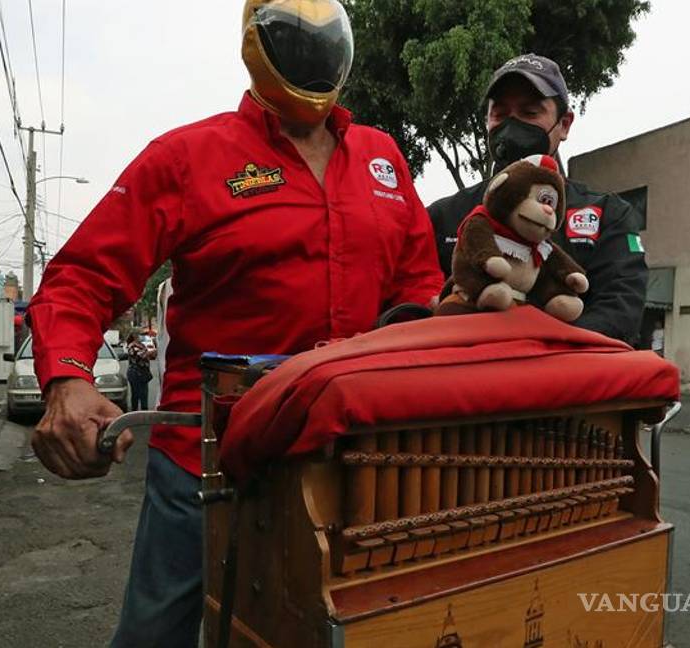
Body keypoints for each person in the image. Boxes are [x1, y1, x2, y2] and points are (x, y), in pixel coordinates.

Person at [27, 2, 442, 645]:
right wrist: (68, 379)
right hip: (205, 462)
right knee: (153, 637)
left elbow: (420, 289)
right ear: (256, 43)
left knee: (334, 631)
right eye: (295, 39)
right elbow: (82, 276)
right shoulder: (188, 157)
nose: (312, 51)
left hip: (348, 457)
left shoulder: (382, 159)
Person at [427, 53, 648, 344]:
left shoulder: (610, 215)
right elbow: (418, 296)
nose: (512, 125)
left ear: (564, 124)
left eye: (530, 113)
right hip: (464, 367)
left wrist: (539, 352)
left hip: (567, 369)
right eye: (500, 114)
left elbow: (621, 309)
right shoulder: (444, 216)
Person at [125, 333, 153, 411]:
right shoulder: (132, 346)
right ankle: (139, 411)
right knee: (138, 394)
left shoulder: (141, 345)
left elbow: (150, 356)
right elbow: (139, 355)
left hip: (142, 373)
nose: (140, 337)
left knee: (141, 393)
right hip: (136, 373)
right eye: (138, 336)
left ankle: (141, 410)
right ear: (134, 337)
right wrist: (149, 352)